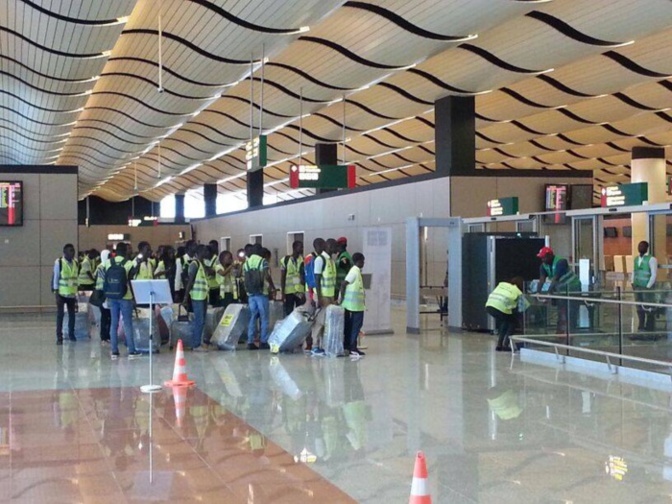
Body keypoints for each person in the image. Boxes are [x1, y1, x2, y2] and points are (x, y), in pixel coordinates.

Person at [104, 242, 141, 360]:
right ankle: (131, 350)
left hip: (112, 296)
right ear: (125, 251)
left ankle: (114, 351)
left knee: (114, 323)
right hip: (126, 296)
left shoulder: (108, 262)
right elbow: (131, 278)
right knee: (127, 323)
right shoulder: (128, 263)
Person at [536, 246, 581, 333]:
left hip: (573, 287)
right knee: (561, 311)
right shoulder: (543, 266)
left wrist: (549, 293)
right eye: (541, 257)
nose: (542, 259)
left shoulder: (561, 262)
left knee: (571, 312)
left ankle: (572, 332)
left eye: (544, 257)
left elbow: (555, 278)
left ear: (549, 256)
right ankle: (561, 331)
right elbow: (542, 279)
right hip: (562, 290)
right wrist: (538, 292)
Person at [243, 243, 274, 350]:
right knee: (264, 317)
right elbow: (266, 275)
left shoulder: (246, 263)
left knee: (252, 317)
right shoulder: (262, 261)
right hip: (262, 293)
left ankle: (250, 341)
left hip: (251, 294)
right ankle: (263, 341)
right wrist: (272, 287)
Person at [311, 238, 337, 355]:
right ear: (329, 246)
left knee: (327, 322)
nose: (336, 249)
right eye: (334, 246)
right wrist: (319, 296)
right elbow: (317, 278)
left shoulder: (330, 260)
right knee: (320, 321)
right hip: (323, 295)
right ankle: (315, 345)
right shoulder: (320, 260)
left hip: (330, 296)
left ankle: (322, 345)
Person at [182, 244, 210, 352]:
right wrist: (185, 296)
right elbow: (190, 281)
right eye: (204, 251)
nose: (207, 253)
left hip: (203, 296)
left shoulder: (201, 264)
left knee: (202, 321)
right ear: (199, 252)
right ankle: (196, 344)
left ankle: (199, 341)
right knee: (199, 320)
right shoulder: (195, 264)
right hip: (197, 297)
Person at [338, 252, 366, 356]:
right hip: (354, 306)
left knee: (353, 326)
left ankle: (350, 346)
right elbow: (344, 284)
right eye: (363, 261)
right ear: (358, 261)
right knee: (356, 326)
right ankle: (353, 347)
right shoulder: (354, 271)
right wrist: (342, 298)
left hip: (354, 305)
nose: (364, 263)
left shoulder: (356, 271)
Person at [485, 277, 524, 351]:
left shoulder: (502, 285)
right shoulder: (518, 291)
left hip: (489, 306)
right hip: (500, 308)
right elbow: (523, 306)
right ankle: (506, 344)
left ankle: (499, 345)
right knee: (512, 322)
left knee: (505, 321)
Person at [53, 243, 79, 345]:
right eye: (70, 251)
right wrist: (56, 292)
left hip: (72, 293)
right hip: (61, 293)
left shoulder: (76, 262)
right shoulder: (59, 262)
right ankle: (59, 337)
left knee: (72, 315)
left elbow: (75, 278)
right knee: (60, 315)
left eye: (73, 251)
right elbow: (56, 277)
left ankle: (71, 334)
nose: (72, 253)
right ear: (65, 252)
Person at [632, 240, 657, 332]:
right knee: (639, 306)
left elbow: (654, 274)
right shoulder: (636, 259)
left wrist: (648, 286)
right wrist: (632, 282)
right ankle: (641, 325)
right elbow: (634, 271)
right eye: (639, 246)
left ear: (646, 248)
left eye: (642, 246)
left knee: (648, 306)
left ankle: (650, 326)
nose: (640, 248)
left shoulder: (651, 259)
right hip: (637, 286)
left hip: (647, 287)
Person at [280, 240, 305, 316]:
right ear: (295, 247)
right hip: (289, 291)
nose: (302, 249)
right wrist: (283, 293)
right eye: (300, 247)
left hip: (299, 291)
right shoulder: (285, 260)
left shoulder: (303, 260)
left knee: (300, 312)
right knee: (289, 312)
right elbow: (282, 277)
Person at [95, 249, 112, 343]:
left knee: (108, 315)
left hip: (107, 292)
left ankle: (107, 335)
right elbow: (105, 278)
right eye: (108, 256)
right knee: (105, 315)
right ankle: (104, 336)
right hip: (102, 293)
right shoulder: (101, 267)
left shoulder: (107, 265)